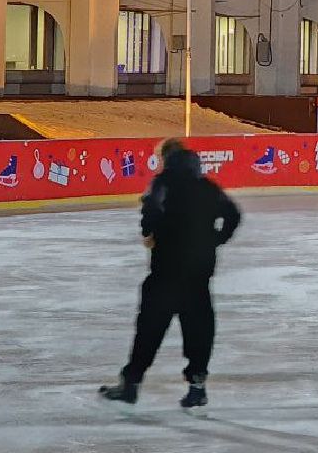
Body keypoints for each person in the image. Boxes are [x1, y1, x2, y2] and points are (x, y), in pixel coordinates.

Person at [99, 138, 242, 409]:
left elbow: (152, 208)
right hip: (198, 274)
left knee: (149, 329)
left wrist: (149, 233)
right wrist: (216, 239)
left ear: (167, 159)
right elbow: (233, 214)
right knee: (199, 330)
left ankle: (131, 384)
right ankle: (197, 387)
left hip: (166, 271)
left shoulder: (163, 183)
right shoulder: (207, 187)